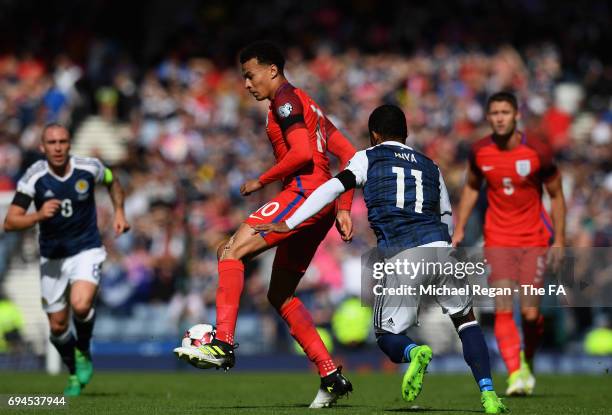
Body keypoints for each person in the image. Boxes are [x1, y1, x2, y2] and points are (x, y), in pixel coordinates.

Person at [255, 105, 508, 414]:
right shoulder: (430, 166)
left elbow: (333, 188)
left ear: (374, 135)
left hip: (403, 254)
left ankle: (415, 353)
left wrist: (290, 222)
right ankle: (489, 394)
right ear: (406, 133)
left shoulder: (367, 157)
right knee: (466, 323)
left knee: (387, 336)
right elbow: (446, 217)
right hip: (443, 250)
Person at [174, 41, 356, 408]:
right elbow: (350, 154)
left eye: (250, 75)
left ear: (272, 70)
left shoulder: (285, 101)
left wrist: (261, 179)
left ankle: (222, 342)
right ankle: (330, 375)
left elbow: (303, 153)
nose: (246, 84)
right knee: (280, 295)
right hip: (321, 204)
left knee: (231, 251)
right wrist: (343, 207)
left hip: (303, 194)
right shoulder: (309, 103)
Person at [452, 91, 566, 395]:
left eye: (505, 112)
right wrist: (460, 226)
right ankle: (515, 373)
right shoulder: (480, 151)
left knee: (530, 313)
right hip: (498, 238)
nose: (499, 118)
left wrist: (560, 240)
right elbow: (472, 188)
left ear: (516, 115)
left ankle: (527, 362)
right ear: (488, 117)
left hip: (533, 239)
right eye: (494, 113)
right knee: (503, 306)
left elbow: (556, 194)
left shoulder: (537, 151)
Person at [3, 123, 130, 396]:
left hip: (87, 249)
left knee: (81, 305)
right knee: (58, 326)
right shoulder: (34, 178)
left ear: (70, 144)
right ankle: (74, 371)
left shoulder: (89, 167)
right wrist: (38, 215)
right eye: (52, 143)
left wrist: (119, 211)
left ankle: (83, 349)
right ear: (42, 147)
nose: (58, 147)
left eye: (62, 141)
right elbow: (10, 222)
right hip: (52, 257)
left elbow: (112, 180)